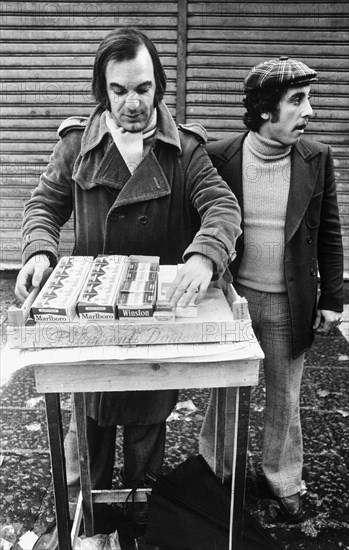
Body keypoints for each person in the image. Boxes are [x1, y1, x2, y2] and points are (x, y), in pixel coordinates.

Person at [15, 27, 241, 527]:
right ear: (103, 90)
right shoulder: (78, 144)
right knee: (89, 429)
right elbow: (43, 206)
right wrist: (37, 250)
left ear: (158, 84)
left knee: (145, 436)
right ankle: (90, 518)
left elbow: (221, 206)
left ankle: (144, 521)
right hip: (88, 320)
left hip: (152, 323)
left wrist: (204, 256)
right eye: (119, 90)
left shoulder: (184, 149)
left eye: (142, 88)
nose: (132, 102)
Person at [199, 57, 344, 523]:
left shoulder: (316, 158)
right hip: (233, 301)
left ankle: (281, 479)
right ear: (265, 109)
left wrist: (333, 299)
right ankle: (215, 475)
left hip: (289, 302)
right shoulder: (220, 155)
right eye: (298, 101)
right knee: (225, 394)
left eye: (310, 99)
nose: (310, 112)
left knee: (285, 397)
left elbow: (330, 232)